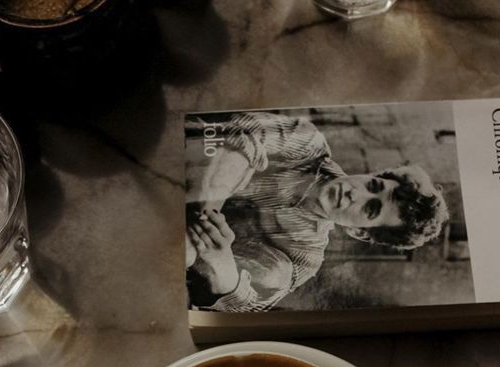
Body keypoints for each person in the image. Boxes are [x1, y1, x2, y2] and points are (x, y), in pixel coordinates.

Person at [184, 110, 448, 311]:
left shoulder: (304, 258)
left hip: (177, 250)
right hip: (177, 161)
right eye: (373, 185)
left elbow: (245, 303)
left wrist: (219, 261)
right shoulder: (309, 144)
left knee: (273, 272)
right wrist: (204, 216)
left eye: (370, 208)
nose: (355, 193)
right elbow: (247, 131)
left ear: (359, 232)